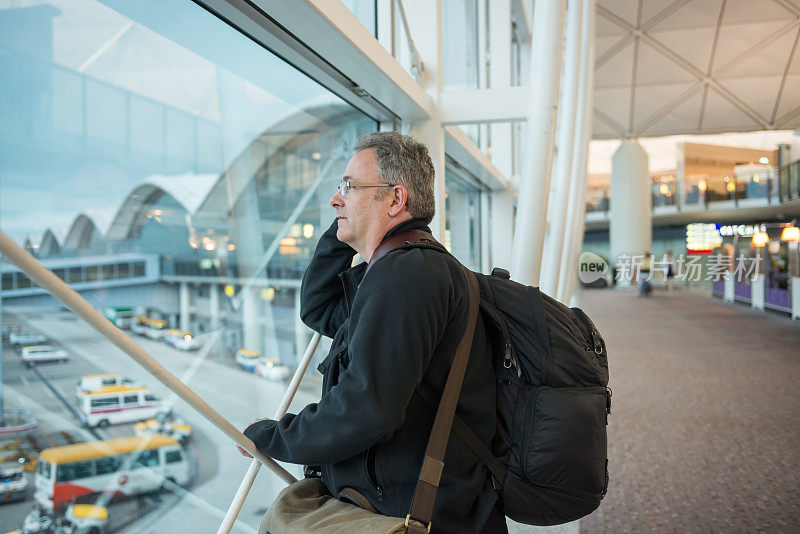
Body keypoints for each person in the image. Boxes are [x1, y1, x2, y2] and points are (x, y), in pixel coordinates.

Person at [238, 131, 505, 533]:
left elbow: (366, 408)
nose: (334, 198)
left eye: (348, 186)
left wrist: (272, 437)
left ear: (396, 200)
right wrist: (350, 222)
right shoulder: (400, 270)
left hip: (420, 518)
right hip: (428, 507)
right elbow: (319, 307)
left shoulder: (408, 275)